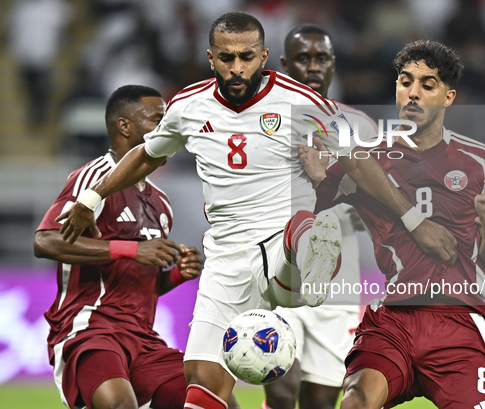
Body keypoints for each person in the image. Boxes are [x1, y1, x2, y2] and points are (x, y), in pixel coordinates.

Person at [55, 13, 460, 409]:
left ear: (263, 56)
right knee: (201, 381)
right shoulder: (187, 106)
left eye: (246, 57)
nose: (236, 68)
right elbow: (147, 155)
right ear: (210, 57)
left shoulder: (303, 101)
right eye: (226, 58)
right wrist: (91, 198)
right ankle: (308, 253)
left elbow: (358, 160)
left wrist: (413, 218)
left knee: (301, 229)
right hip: (226, 262)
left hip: (281, 246)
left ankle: (313, 255)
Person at [304, 39, 485, 408]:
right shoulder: (368, 157)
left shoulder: (479, 160)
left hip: (461, 323)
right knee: (355, 402)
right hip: (394, 321)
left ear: (448, 97)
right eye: (405, 82)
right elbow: (312, 202)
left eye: (426, 85)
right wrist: (315, 178)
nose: (412, 93)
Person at [34, 85, 203, 409]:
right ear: (125, 126)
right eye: (157, 119)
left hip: (142, 337)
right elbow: (44, 241)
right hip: (91, 327)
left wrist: (178, 275)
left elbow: (145, 286)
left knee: (210, 398)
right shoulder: (94, 178)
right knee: (119, 405)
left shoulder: (161, 202)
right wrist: (130, 249)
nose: (167, 128)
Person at [261, 24, 375, 409]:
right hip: (279, 272)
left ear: (333, 64)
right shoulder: (265, 123)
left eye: (321, 58)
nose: (312, 67)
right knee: (279, 389)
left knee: (322, 401)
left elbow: (382, 198)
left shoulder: (360, 126)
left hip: (338, 280)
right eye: (302, 58)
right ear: (283, 64)